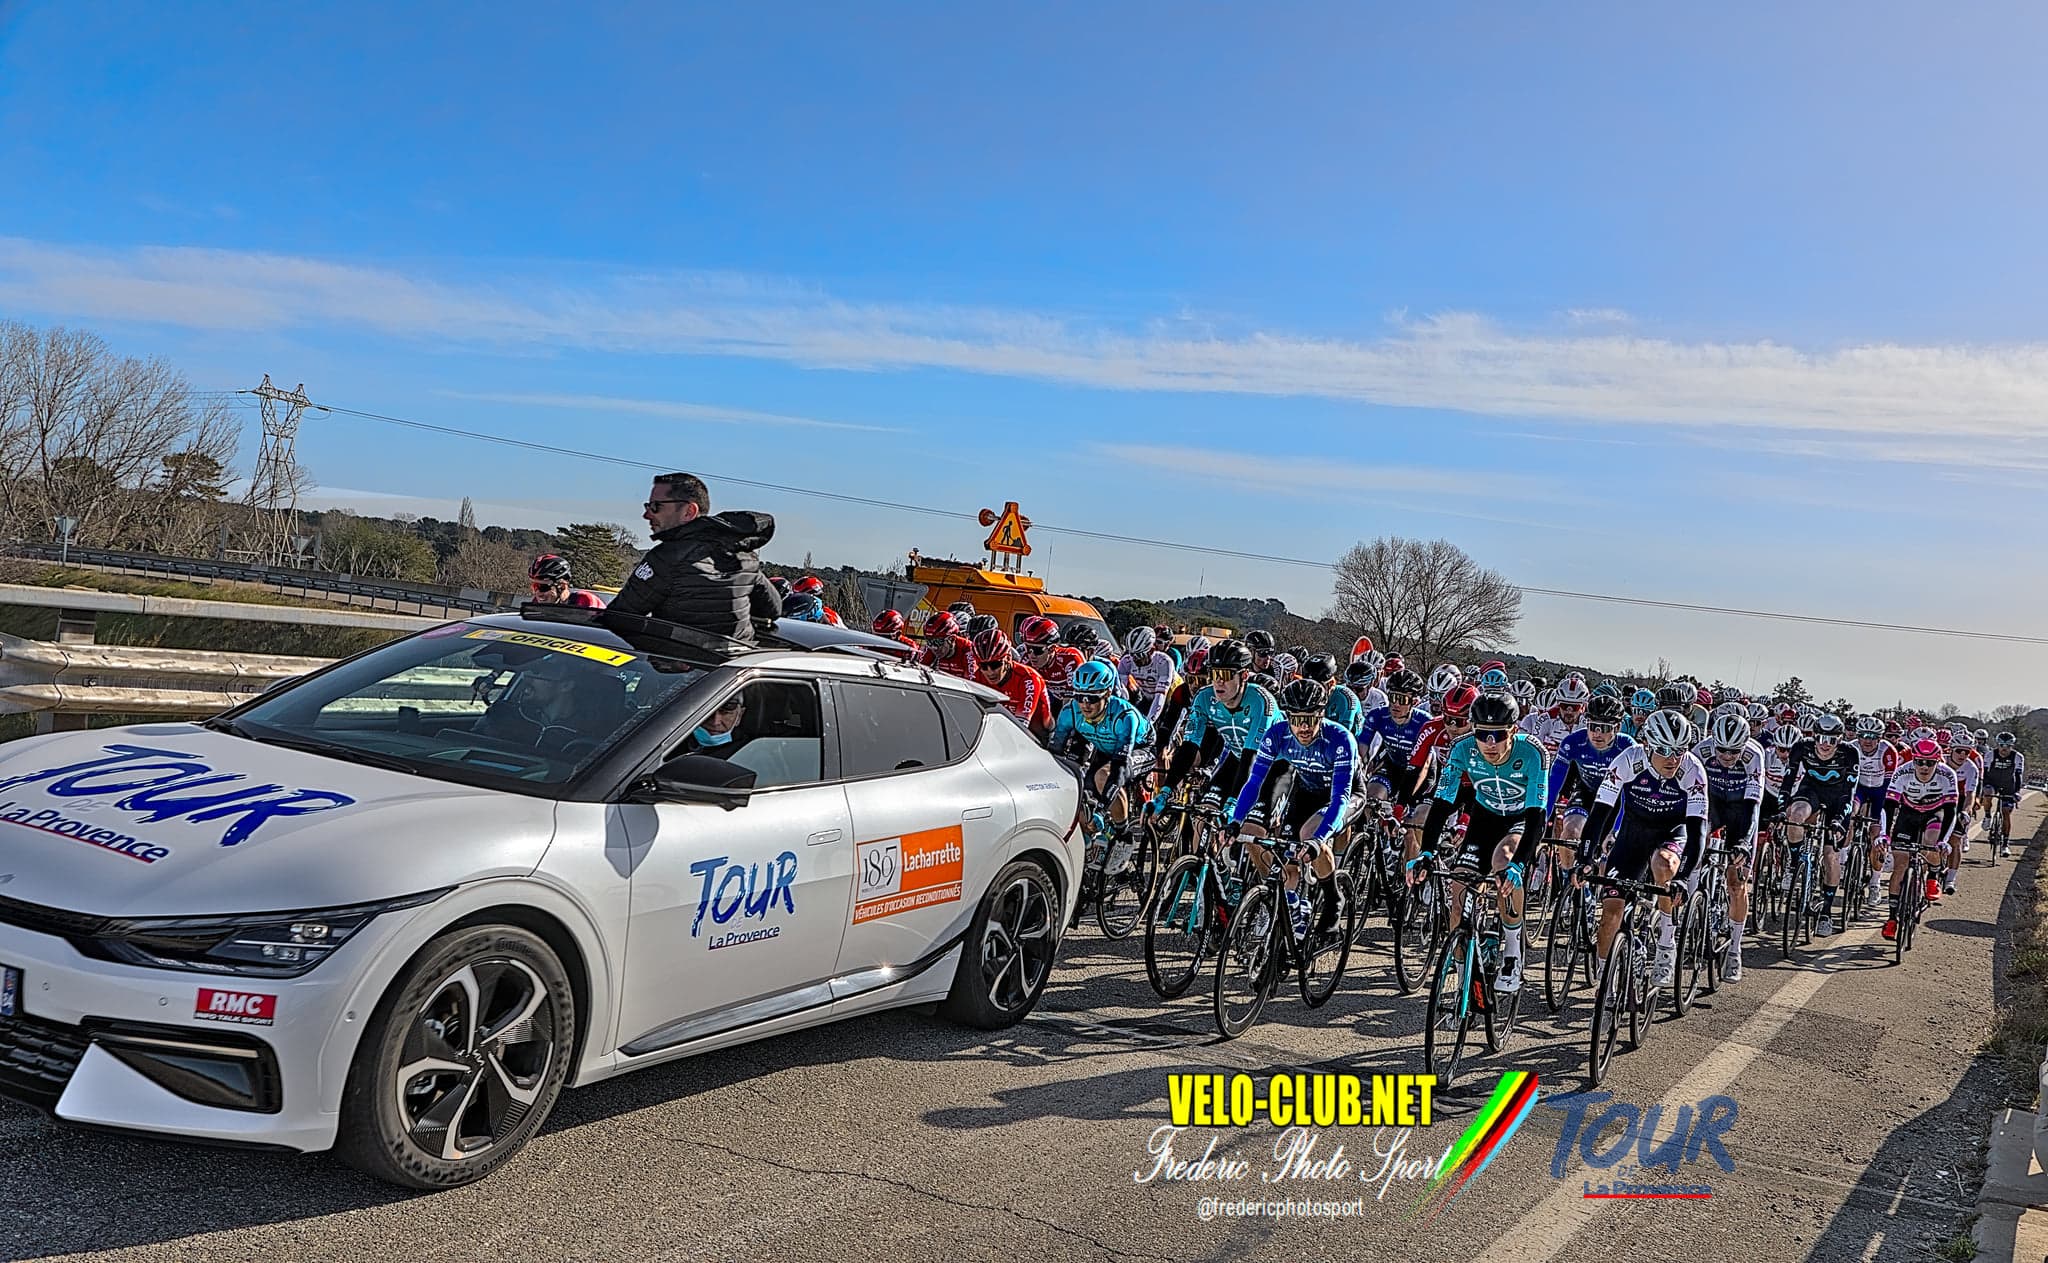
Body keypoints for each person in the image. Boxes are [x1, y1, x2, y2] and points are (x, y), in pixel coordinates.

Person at [609, 472, 780, 643]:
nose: (646, 515)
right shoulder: (746, 556)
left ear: (689, 512)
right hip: (740, 656)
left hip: (677, 658)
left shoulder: (666, 557)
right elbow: (773, 611)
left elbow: (618, 618)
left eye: (655, 506)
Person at [974, 629, 1052, 739]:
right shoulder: (978, 676)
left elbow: (1020, 727)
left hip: (1036, 731)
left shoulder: (1028, 679)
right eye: (983, 666)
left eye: (995, 665)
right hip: (1000, 726)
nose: (990, 672)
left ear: (1008, 659)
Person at [677, 692, 749, 758]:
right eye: (707, 714)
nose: (715, 722)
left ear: (739, 716)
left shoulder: (745, 753)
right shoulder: (675, 738)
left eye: (725, 713)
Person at [527, 554, 603, 608]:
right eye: (534, 587)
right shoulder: (537, 602)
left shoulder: (585, 601)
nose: (538, 593)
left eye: (543, 587)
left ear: (562, 586)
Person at [918, 612, 978, 680]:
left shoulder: (968, 649)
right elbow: (919, 670)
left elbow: (972, 680)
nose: (933, 647)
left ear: (952, 639)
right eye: (928, 641)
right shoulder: (931, 646)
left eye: (938, 642)